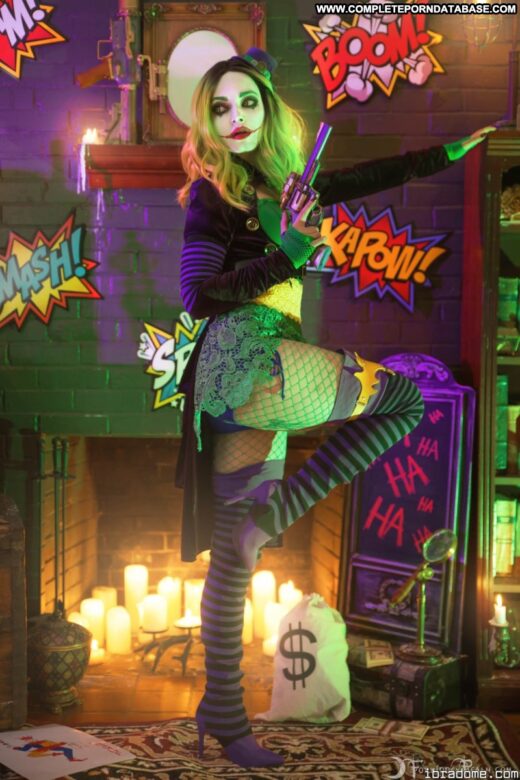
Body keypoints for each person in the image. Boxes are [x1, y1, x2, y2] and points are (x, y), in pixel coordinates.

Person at [175, 47, 494, 768]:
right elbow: (196, 296)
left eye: (247, 102)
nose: (236, 118)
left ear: (266, 108)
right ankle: (277, 516)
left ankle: (222, 714)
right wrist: (289, 251)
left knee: (233, 554)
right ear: (207, 122)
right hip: (245, 357)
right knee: (404, 401)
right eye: (220, 108)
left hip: (242, 380)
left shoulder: (288, 186)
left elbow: (370, 176)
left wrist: (449, 150)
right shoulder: (211, 197)